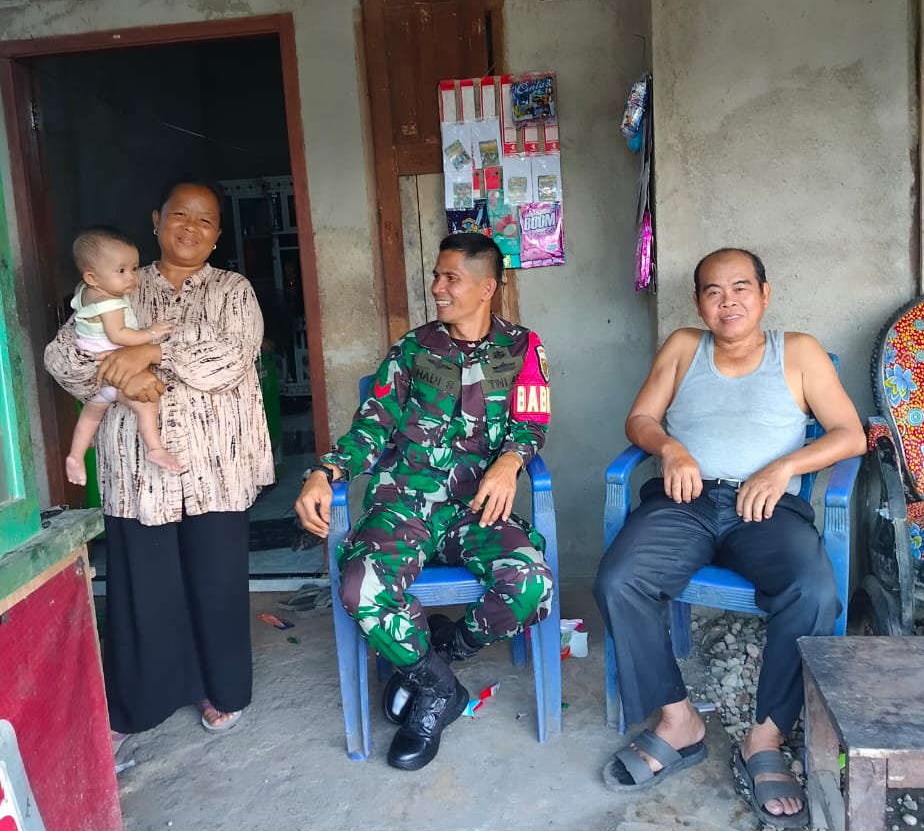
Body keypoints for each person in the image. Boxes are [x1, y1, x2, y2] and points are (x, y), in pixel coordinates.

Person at [593, 248, 865, 829]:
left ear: (765, 294)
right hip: (685, 501)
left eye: (741, 287)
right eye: (713, 291)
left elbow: (850, 434)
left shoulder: (799, 352)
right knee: (620, 579)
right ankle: (678, 721)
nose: (728, 301)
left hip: (765, 507)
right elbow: (640, 420)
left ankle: (764, 739)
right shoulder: (682, 347)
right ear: (698, 303)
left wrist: (785, 467)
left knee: (813, 591)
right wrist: (670, 448)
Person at [295, 232, 553, 772]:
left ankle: (437, 654)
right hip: (405, 505)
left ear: (487, 288)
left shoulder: (523, 348)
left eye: (450, 278)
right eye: (436, 276)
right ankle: (439, 690)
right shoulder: (412, 350)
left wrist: (510, 461)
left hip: (477, 510)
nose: (436, 287)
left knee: (531, 583)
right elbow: (371, 429)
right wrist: (325, 472)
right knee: (361, 585)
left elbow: (531, 423)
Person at [45, 179, 274, 741]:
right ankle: (149, 698)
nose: (190, 228)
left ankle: (220, 689)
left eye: (204, 220)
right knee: (148, 588)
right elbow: (62, 356)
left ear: (217, 235)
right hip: (137, 469)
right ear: (156, 220)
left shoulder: (232, 289)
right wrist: (123, 377)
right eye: (179, 215)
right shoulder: (117, 281)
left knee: (215, 583)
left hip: (217, 466)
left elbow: (231, 355)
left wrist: (151, 351)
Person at [64, 226, 181, 484]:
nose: (131, 277)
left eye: (134, 268)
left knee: (91, 416)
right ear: (93, 277)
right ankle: (155, 448)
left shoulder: (84, 293)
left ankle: (75, 455)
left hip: (96, 370)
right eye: (121, 271)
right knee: (147, 404)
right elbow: (119, 336)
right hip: (115, 369)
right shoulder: (110, 303)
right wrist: (151, 333)